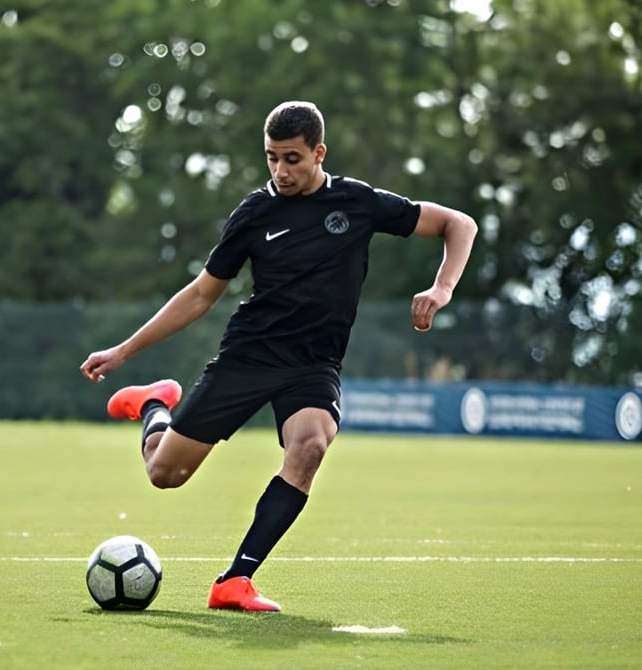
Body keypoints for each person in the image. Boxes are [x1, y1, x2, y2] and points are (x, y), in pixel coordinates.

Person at [80, 100, 477, 612]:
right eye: (271, 158)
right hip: (250, 356)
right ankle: (154, 404)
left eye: (292, 158)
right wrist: (123, 350)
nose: (280, 170)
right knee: (164, 474)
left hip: (313, 366)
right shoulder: (253, 214)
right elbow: (201, 294)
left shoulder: (357, 202)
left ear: (319, 152)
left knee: (310, 445)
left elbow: (458, 225)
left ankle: (234, 582)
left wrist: (441, 289)